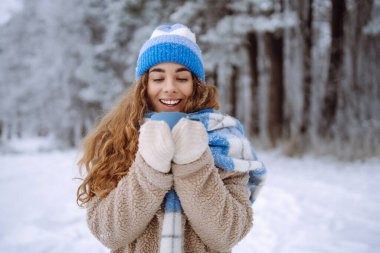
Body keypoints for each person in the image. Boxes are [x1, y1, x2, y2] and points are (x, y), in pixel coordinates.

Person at [77, 23, 266, 253]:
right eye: (158, 79)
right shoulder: (117, 139)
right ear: (143, 86)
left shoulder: (224, 138)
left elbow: (228, 235)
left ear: (196, 85)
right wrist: (149, 168)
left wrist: (194, 164)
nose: (169, 88)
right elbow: (108, 232)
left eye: (182, 78)